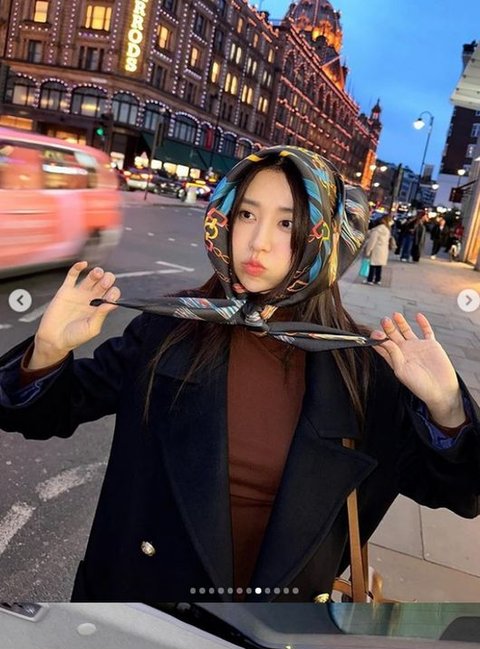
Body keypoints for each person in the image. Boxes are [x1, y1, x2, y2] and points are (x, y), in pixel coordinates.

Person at [1, 144, 479, 605]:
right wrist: (48, 350)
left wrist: (446, 408)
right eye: (247, 214)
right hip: (139, 612)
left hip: (269, 635)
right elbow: (43, 413)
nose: (258, 241)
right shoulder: (173, 324)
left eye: (287, 222)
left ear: (326, 238)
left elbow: (460, 492)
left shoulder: (363, 369)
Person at [364, 214, 395, 283]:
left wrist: (368, 251)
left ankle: (370, 279)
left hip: (376, 250)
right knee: (379, 265)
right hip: (383, 250)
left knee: (372, 264)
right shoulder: (387, 229)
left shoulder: (377, 230)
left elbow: (372, 241)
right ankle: (377, 279)